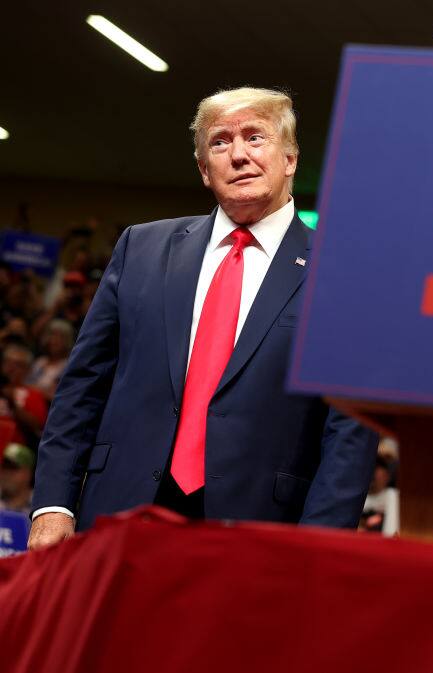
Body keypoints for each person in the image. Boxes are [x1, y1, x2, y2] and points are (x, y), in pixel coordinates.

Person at [29, 88, 377, 549]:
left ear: (290, 159)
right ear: (203, 170)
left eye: (256, 138)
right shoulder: (141, 248)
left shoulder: (340, 270)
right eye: (220, 142)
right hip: (120, 514)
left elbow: (349, 430)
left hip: (262, 530)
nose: (238, 155)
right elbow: (82, 388)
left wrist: (319, 546)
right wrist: (53, 504)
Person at [0, 343, 48, 448]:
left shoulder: (34, 393)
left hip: (16, 450)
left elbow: (37, 426)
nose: (11, 368)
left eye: (18, 365)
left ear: (28, 370)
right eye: (7, 362)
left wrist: (12, 402)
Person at [0, 442, 35, 514]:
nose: (6, 473)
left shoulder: (40, 505)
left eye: (13, 468)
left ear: (28, 473)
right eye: (4, 467)